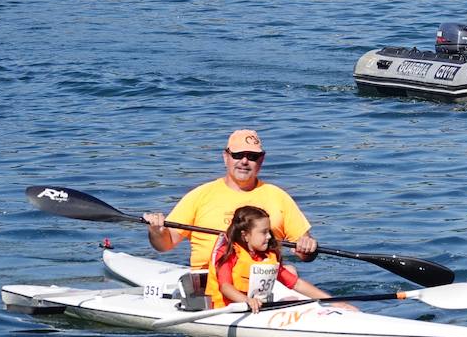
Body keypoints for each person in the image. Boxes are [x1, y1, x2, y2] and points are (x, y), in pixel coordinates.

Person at [143, 129, 318, 271]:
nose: (244, 161)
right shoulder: (200, 195)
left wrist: (307, 247)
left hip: (262, 282)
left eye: (252, 156)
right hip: (209, 284)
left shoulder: (278, 196)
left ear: (261, 160)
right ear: (225, 157)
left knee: (290, 271)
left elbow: (304, 253)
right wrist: (157, 231)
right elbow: (164, 245)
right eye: (238, 155)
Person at [206, 205, 339, 311]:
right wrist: (247, 301)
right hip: (227, 310)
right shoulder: (228, 252)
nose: (269, 236)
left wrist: (334, 302)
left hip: (257, 309)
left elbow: (295, 283)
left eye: (269, 231)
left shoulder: (266, 256)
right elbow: (225, 286)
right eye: (264, 232)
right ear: (245, 235)